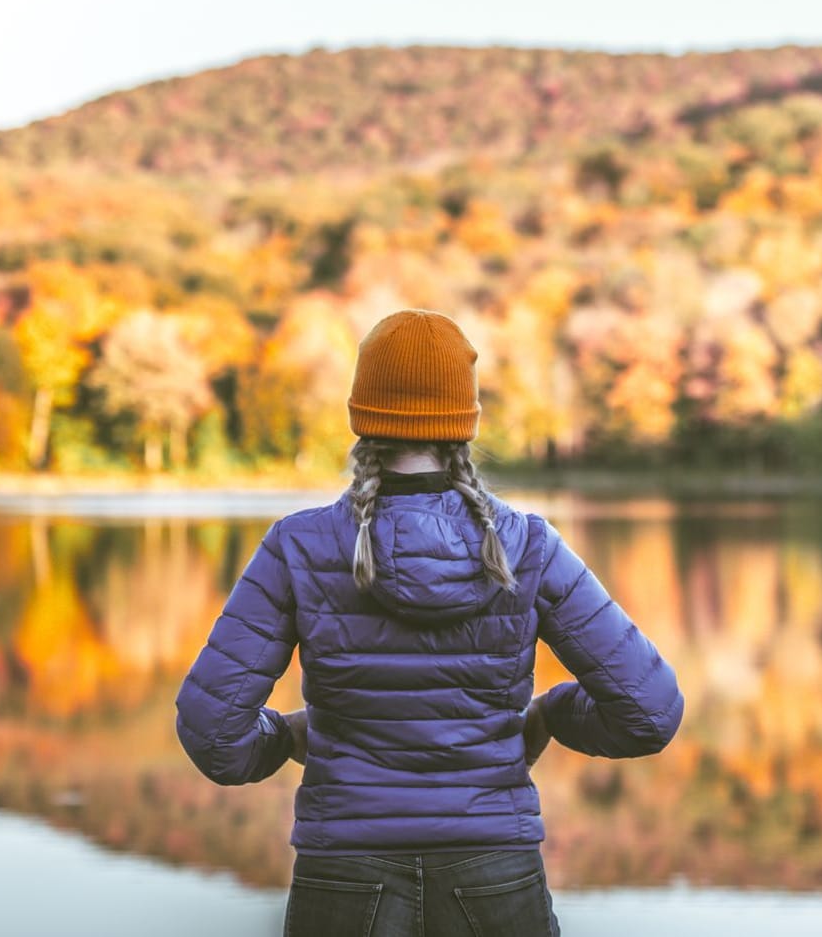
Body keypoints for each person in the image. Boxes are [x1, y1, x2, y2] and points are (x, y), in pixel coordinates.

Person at [174, 307, 686, 937]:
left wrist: (286, 739)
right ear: (463, 426)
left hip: (343, 878)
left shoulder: (300, 546)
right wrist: (550, 715)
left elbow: (211, 731)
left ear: (363, 419)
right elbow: (651, 710)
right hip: (496, 873)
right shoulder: (528, 546)